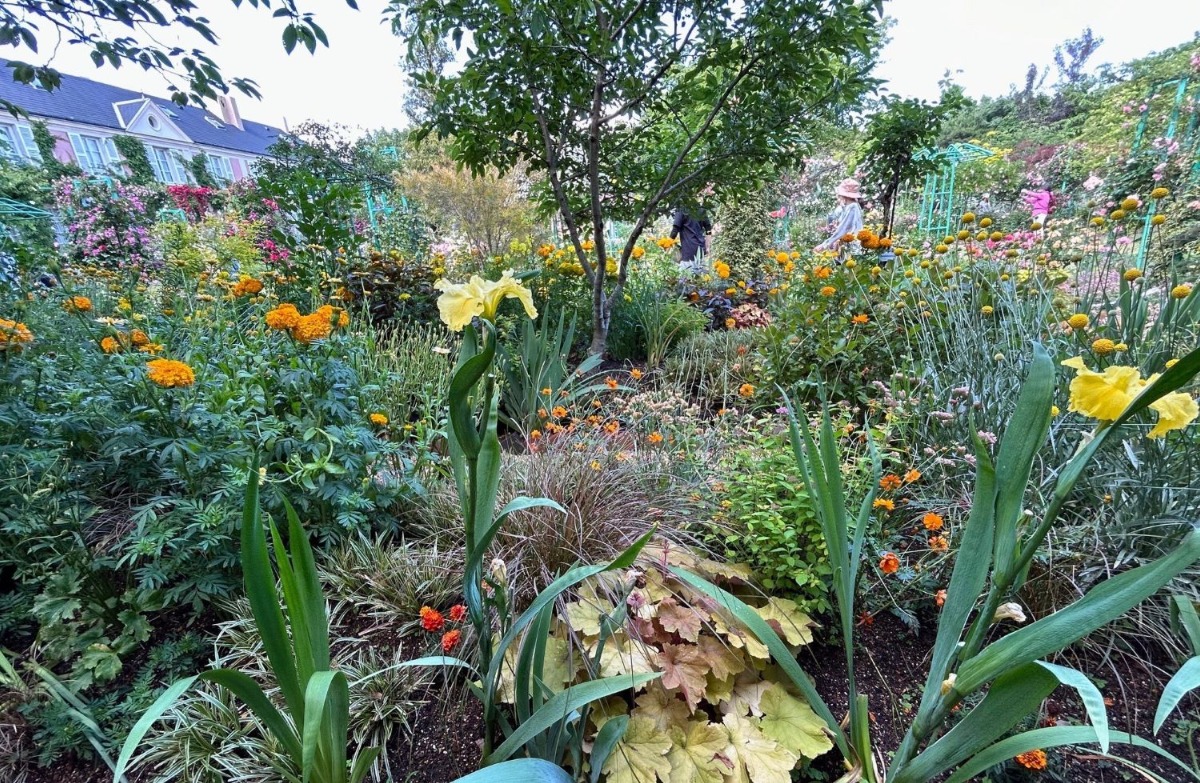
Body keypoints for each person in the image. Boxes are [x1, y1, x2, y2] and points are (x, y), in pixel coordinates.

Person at [815, 178, 864, 256]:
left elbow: (843, 228)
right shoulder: (847, 206)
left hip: (852, 246)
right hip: (846, 245)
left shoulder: (853, 207)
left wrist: (824, 245)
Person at [670, 205, 711, 274]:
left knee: (685, 281)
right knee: (700, 281)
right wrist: (707, 247)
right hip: (700, 251)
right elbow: (708, 229)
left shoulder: (681, 209)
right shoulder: (701, 209)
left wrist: (667, 247)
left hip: (688, 254)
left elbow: (675, 231)